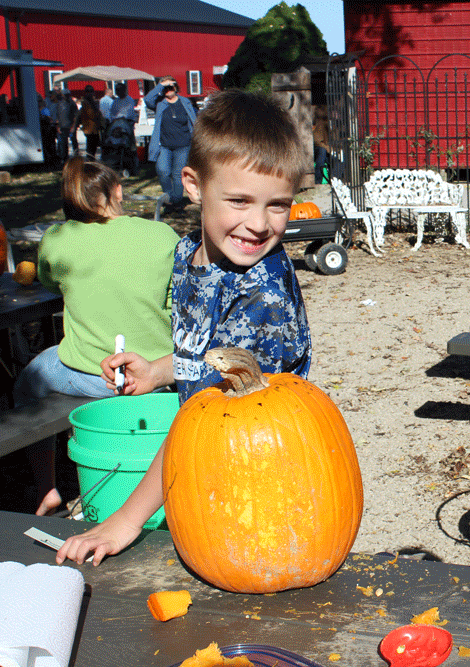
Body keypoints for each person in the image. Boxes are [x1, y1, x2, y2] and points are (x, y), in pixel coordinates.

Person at [56, 89, 312, 565]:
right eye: (239, 200)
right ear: (193, 186)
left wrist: (125, 520)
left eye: (278, 205)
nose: (259, 224)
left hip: (261, 476)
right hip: (210, 462)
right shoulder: (186, 255)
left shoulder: (263, 295)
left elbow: (208, 417)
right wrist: (157, 370)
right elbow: (209, 350)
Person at [15, 156, 178, 515]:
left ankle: (47, 489)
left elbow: (45, 279)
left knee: (27, 381)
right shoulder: (162, 234)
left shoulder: (58, 238)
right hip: (159, 368)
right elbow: (174, 297)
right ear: (118, 190)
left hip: (89, 372)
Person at [144, 75, 196, 214]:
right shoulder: (160, 104)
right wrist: (161, 85)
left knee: (178, 174)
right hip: (164, 145)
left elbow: (193, 120)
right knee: (162, 171)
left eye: (170, 87)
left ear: (176, 87)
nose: (168, 90)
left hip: (183, 145)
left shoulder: (185, 102)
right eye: (165, 88)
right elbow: (147, 99)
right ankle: (169, 197)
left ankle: (177, 201)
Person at [74, 85, 103, 158]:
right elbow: (92, 115)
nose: (91, 94)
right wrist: (98, 114)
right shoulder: (87, 103)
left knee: (93, 147)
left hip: (93, 129)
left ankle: (91, 160)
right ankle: (90, 162)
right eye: (89, 92)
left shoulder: (90, 102)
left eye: (92, 92)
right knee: (91, 148)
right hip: (90, 129)